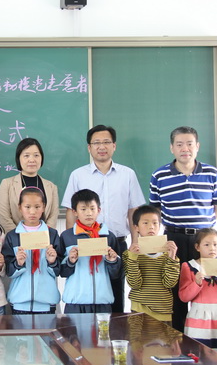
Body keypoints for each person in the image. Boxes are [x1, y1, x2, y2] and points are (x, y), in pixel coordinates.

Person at [149, 126, 217, 331]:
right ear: (172, 148)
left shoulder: (212, 173)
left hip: (205, 241)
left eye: (190, 144)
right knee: (176, 293)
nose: (185, 149)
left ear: (197, 146)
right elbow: (155, 211)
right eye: (180, 144)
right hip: (174, 239)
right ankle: (179, 341)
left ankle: (208, 340)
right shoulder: (159, 175)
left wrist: (203, 231)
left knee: (209, 289)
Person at [61, 125, 145, 313]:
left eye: (106, 142)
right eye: (96, 143)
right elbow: (70, 211)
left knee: (115, 294)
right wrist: (70, 241)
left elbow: (133, 210)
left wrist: (136, 241)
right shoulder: (78, 175)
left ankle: (113, 331)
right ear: (89, 147)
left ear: (114, 145)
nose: (101, 147)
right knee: (85, 290)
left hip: (116, 243)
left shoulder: (127, 174)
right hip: (83, 244)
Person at [59, 189, 121, 313]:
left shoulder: (108, 237)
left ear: (99, 210)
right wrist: (71, 261)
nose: (89, 213)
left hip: (102, 301)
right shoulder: (67, 236)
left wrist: (112, 261)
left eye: (92, 209)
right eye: (83, 209)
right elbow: (62, 272)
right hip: (76, 302)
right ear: (74, 212)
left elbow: (116, 274)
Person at [2, 187, 61, 314]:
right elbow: (8, 271)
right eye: (27, 207)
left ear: (44, 207)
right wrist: (18, 263)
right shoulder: (13, 236)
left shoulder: (52, 235)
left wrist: (52, 262)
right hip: (19, 302)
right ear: (20, 207)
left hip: (46, 301)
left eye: (37, 207)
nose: (32, 211)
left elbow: (58, 271)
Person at [178, 228, 217, 349]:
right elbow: (184, 297)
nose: (212, 248)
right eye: (207, 244)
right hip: (199, 318)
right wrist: (196, 283)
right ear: (197, 247)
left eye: (215, 244)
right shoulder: (189, 266)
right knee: (198, 352)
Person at [123, 205, 179, 323]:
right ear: (136, 227)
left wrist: (172, 257)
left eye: (155, 223)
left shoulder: (168, 253)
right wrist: (133, 257)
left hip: (163, 311)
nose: (151, 227)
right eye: (145, 223)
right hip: (139, 310)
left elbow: (169, 283)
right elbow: (134, 283)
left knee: (163, 336)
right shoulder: (130, 254)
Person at [0, 138, 59, 233]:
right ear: (19, 158)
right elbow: (4, 217)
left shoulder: (51, 187)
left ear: (41, 158)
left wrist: (44, 235)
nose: (32, 160)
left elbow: (53, 216)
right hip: (16, 238)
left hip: (44, 239)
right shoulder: (7, 184)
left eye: (36, 155)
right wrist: (18, 237)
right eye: (26, 155)